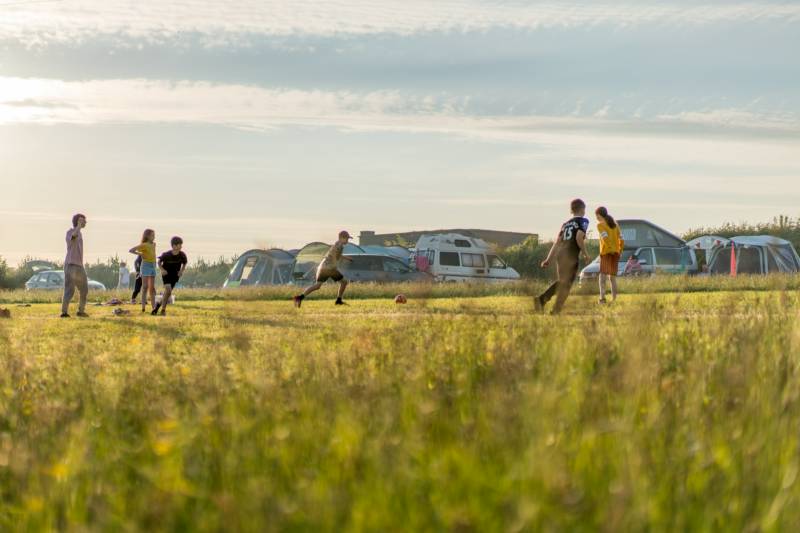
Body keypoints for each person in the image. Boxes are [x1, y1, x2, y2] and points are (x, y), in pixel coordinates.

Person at [535, 199, 590, 314]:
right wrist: (585, 254)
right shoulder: (583, 221)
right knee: (566, 284)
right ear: (582, 209)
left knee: (563, 283)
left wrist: (548, 259)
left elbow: (557, 243)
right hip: (571, 255)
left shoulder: (566, 224)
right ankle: (545, 302)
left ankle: (551, 307)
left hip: (561, 255)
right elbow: (579, 237)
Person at [293, 231, 354, 308]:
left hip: (323, 267)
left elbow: (336, 255)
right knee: (344, 282)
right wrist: (335, 266)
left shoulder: (336, 244)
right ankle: (338, 301)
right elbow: (335, 256)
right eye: (346, 239)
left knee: (317, 286)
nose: (347, 241)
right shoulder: (339, 245)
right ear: (341, 238)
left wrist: (347, 258)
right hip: (329, 268)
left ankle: (299, 297)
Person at [61, 213, 90, 318]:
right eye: (83, 221)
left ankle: (81, 311)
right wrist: (78, 226)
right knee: (70, 289)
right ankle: (64, 312)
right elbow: (73, 238)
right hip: (71, 265)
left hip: (79, 266)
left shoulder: (80, 234)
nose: (85, 222)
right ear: (78, 221)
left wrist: (79, 227)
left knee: (84, 289)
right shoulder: (70, 232)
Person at [596, 206, 624, 303]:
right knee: (612, 277)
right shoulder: (616, 225)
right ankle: (614, 299)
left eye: (597, 215)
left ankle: (602, 298)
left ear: (599, 215)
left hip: (607, 252)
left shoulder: (600, 225)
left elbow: (605, 238)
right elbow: (622, 239)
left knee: (602, 276)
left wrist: (610, 249)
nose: (596, 218)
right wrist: (619, 251)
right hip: (616, 253)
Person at [153, 236, 187, 316]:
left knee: (167, 293)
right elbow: (159, 262)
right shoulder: (166, 255)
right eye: (179, 245)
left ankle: (158, 305)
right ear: (174, 246)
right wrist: (162, 269)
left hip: (175, 275)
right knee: (168, 290)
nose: (181, 246)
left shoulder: (182, 255)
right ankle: (163, 310)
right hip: (166, 274)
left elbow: (184, 263)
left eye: (181, 245)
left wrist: (181, 271)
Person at [129, 229, 157, 313]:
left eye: (154, 235)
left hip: (153, 266)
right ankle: (143, 308)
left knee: (151, 288)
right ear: (147, 236)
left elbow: (153, 255)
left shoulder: (154, 244)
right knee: (145, 287)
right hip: (145, 266)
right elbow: (131, 250)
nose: (154, 237)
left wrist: (155, 264)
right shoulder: (144, 245)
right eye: (152, 235)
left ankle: (153, 307)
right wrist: (140, 254)